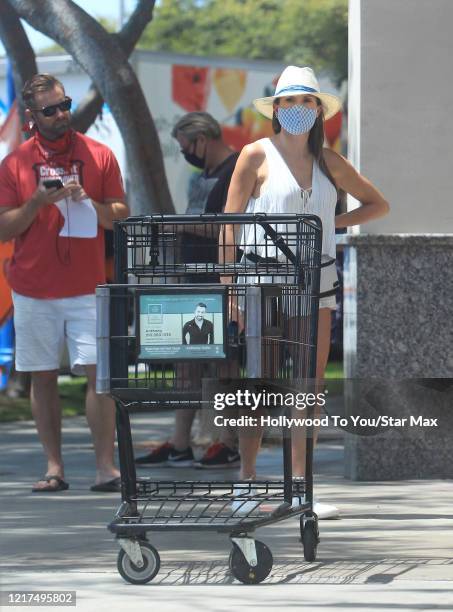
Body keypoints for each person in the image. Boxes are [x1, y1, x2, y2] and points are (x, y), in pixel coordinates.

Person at [222, 66, 390, 517]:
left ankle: (301, 485)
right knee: (258, 382)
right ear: (276, 109)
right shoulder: (254, 155)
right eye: (289, 102)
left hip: (317, 282)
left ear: (319, 109)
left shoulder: (330, 162)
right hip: (262, 280)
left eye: (307, 101)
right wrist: (230, 289)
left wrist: (330, 225)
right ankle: (247, 482)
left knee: (307, 387)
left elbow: (378, 204)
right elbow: (229, 224)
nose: (298, 109)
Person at [0, 74, 129, 493]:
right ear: (33, 117)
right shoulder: (14, 163)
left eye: (65, 104)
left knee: (99, 376)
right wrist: (37, 201)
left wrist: (87, 201)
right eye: (51, 109)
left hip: (87, 286)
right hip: (33, 287)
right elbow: (3, 230)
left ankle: (105, 467)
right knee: (42, 376)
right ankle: (54, 467)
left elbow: (121, 216)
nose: (62, 114)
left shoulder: (98, 154)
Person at [135, 112, 240, 470]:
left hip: (221, 278)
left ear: (203, 138)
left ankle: (227, 442)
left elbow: (233, 229)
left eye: (185, 147)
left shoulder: (236, 169)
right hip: (192, 278)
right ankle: (180, 442)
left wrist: (186, 225)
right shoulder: (203, 176)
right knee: (186, 363)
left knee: (225, 365)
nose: (185, 155)